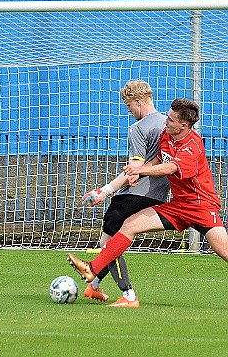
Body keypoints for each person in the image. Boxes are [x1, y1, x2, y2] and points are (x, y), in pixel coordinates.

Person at [67, 98, 228, 302]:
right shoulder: (167, 135)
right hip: (178, 206)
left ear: (184, 125)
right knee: (129, 225)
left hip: (202, 207)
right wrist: (139, 174)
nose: (165, 121)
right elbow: (160, 160)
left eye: (170, 119)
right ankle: (94, 270)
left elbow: (170, 168)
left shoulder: (192, 146)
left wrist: (141, 169)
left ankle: (104, 280)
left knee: (224, 251)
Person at [68, 80, 170, 308]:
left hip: (133, 193)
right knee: (110, 242)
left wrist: (104, 191)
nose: (129, 111)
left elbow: (134, 170)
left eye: (129, 107)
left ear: (139, 102)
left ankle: (129, 295)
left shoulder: (138, 129)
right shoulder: (167, 123)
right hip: (159, 194)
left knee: (110, 243)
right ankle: (94, 288)